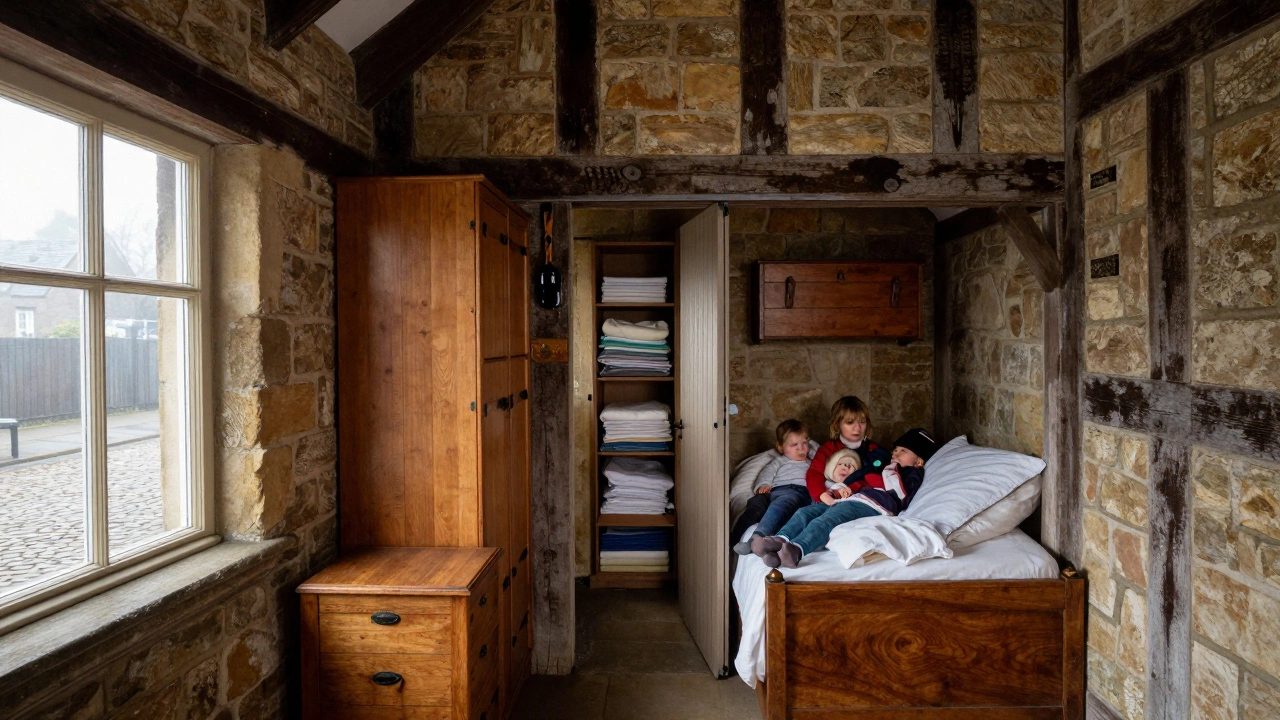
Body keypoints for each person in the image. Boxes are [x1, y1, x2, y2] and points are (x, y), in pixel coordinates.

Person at [757, 428, 939, 569]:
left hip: (874, 505)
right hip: (853, 499)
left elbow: (900, 494)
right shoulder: (882, 468)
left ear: (918, 461)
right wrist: (838, 492)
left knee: (827, 520)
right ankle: (780, 540)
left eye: (903, 451)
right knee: (806, 511)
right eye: (896, 449)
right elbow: (860, 483)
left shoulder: (911, 473)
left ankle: (797, 550)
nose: (895, 453)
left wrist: (887, 470)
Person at [732, 420, 814, 556]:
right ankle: (733, 539)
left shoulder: (811, 463)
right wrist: (763, 485)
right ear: (780, 448)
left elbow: (821, 477)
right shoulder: (778, 461)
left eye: (804, 443)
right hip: (774, 491)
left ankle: (756, 538)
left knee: (782, 504)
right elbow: (767, 473)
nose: (801, 448)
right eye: (794, 445)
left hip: (796, 493)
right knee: (756, 505)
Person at [803, 396, 890, 502]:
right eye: (850, 422)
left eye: (862, 422)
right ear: (837, 425)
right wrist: (821, 494)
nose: (857, 428)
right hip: (829, 496)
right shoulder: (828, 449)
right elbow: (814, 474)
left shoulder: (874, 450)